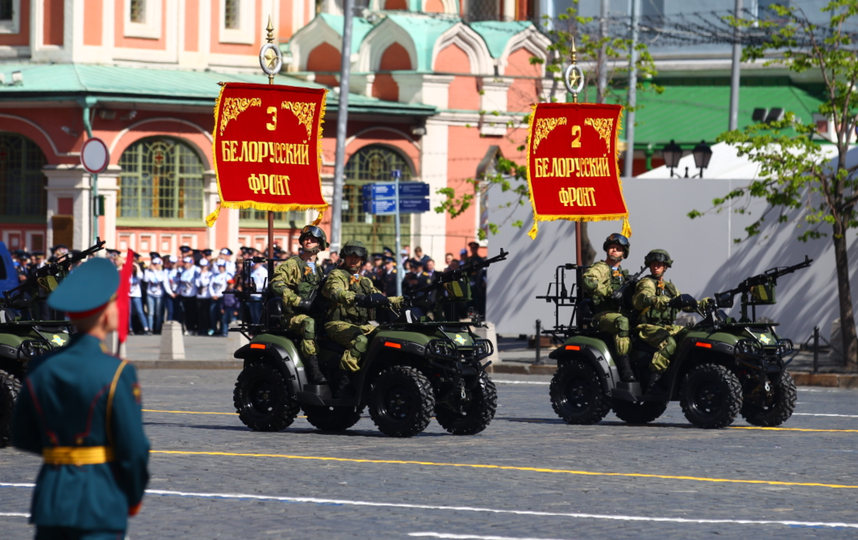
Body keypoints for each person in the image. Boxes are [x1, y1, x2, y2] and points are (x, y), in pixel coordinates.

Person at [12, 257, 150, 539]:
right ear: (106, 312)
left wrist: (62, 451)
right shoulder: (117, 371)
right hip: (99, 501)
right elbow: (134, 448)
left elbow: (21, 434)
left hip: (51, 499)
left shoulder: (40, 367)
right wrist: (133, 495)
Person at [322, 240, 404, 397]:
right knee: (360, 341)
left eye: (357, 257)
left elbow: (381, 298)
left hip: (361, 325)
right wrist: (357, 298)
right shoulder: (337, 275)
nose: (353, 260)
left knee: (384, 336)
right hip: (337, 324)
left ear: (363, 260)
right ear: (344, 257)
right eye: (350, 256)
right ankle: (344, 382)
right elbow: (335, 292)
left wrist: (403, 300)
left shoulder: (364, 281)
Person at [632, 249, 707, 393]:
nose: (656, 267)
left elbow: (683, 303)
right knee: (669, 343)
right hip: (647, 327)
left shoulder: (669, 288)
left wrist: (702, 304)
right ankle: (653, 382)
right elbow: (643, 297)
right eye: (653, 264)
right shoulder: (646, 283)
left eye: (659, 264)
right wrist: (660, 301)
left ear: (665, 266)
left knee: (690, 337)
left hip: (667, 327)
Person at [270, 225, 330, 384]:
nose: (308, 241)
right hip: (293, 315)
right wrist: (298, 301)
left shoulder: (319, 269)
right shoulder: (292, 264)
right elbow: (277, 284)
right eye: (306, 239)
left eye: (313, 239)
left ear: (320, 245)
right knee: (308, 323)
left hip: (314, 312)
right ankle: (313, 372)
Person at [581, 234, 637, 383]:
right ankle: (625, 369)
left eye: (618, 249)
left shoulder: (621, 275)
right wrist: (609, 292)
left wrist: (633, 285)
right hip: (604, 314)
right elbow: (588, 280)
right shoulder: (601, 268)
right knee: (622, 322)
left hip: (620, 312)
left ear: (623, 255)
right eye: (612, 247)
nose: (614, 251)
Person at [143, 257, 168, 334]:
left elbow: (159, 279)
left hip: (159, 295)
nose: (154, 265)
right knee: (150, 313)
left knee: (158, 313)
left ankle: (157, 328)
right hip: (150, 294)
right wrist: (148, 270)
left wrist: (154, 271)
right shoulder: (148, 272)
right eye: (153, 264)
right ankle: (150, 328)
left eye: (155, 264)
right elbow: (145, 279)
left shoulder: (163, 272)